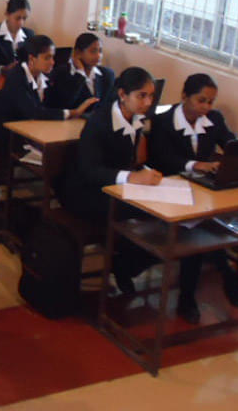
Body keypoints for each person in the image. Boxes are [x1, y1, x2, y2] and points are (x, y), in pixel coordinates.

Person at [149, 73, 238, 323]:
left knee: (204, 227)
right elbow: (162, 159)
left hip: (200, 192)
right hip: (169, 191)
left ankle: (189, 298)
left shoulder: (213, 119)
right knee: (199, 230)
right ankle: (223, 280)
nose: (206, 107)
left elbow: (231, 144)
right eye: (201, 100)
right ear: (184, 97)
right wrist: (196, 164)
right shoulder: (163, 122)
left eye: (210, 102)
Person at [60, 67, 162, 294]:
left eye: (151, 96)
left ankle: (124, 265)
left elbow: (130, 161)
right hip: (85, 192)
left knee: (162, 221)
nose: (147, 102)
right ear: (123, 95)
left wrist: (144, 172)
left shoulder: (135, 119)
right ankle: (123, 265)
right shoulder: (100, 123)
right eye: (141, 96)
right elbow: (90, 171)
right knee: (145, 217)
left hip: (114, 188)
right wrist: (133, 177)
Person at [0, 35, 98, 153]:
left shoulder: (45, 75)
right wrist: (72, 113)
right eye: (47, 58)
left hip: (34, 130)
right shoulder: (16, 78)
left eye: (53, 57)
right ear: (31, 59)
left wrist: (80, 73)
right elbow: (33, 111)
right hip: (10, 137)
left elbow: (60, 102)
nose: (52, 62)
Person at [46, 33, 115, 113]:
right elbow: (65, 104)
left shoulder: (107, 75)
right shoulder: (61, 73)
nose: (98, 56)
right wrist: (80, 73)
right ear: (78, 53)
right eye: (93, 51)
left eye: (100, 51)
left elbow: (108, 105)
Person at [0, 0, 35, 71]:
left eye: (24, 18)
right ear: (7, 14)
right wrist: (3, 69)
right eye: (18, 18)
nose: (21, 23)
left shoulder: (29, 34)